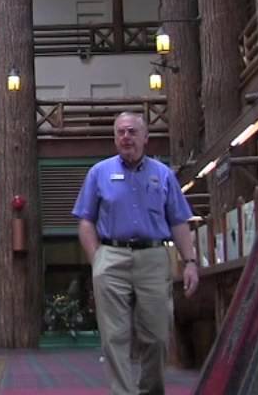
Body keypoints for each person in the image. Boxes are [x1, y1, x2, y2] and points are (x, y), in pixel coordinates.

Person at [72, 112, 198, 395]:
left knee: (156, 335)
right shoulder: (99, 173)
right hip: (111, 257)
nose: (125, 137)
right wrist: (98, 260)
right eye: (120, 132)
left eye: (131, 132)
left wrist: (190, 262)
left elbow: (179, 221)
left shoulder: (163, 175)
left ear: (145, 137)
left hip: (153, 258)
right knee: (115, 336)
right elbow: (85, 220)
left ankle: (150, 390)